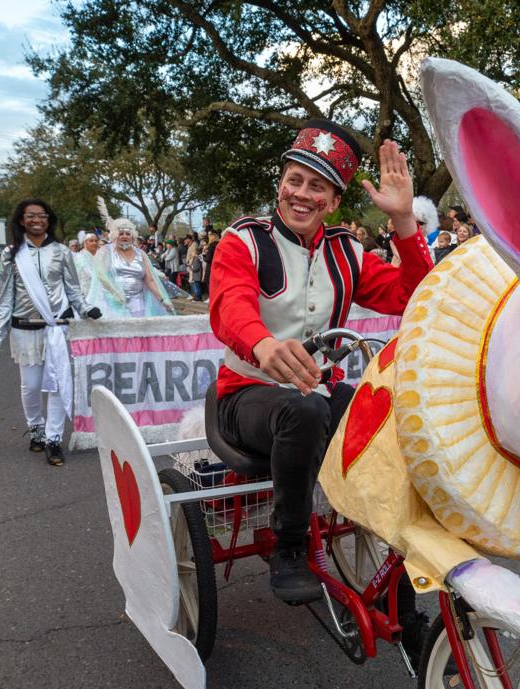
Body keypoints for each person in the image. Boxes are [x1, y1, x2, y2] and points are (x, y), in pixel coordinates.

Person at [209, 119, 433, 640]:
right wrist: (263, 344)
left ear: (333, 201)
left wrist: (403, 221)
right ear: (280, 184)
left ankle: (407, 600)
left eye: (317, 186)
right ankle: (288, 546)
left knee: (391, 421)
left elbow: (415, 297)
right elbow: (228, 305)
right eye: (294, 180)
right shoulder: (244, 240)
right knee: (304, 410)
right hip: (246, 397)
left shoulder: (346, 252)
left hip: (318, 393)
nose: (300, 194)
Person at [0, 199, 102, 466]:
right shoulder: (11, 254)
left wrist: (86, 310)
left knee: (58, 384)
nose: (37, 220)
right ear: (21, 220)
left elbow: (73, 290)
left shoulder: (62, 252)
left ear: (49, 220)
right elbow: (4, 297)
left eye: (42, 216)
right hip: (24, 328)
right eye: (31, 216)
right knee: (32, 386)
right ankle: (36, 428)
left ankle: (53, 439)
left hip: (56, 328)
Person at [88, 198, 175, 318]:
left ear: (132, 235)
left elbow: (149, 280)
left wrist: (163, 299)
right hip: (113, 304)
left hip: (138, 303)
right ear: (114, 234)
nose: (124, 236)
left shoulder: (141, 253)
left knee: (137, 333)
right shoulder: (105, 251)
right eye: (121, 233)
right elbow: (101, 274)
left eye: (128, 234)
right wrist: (116, 293)